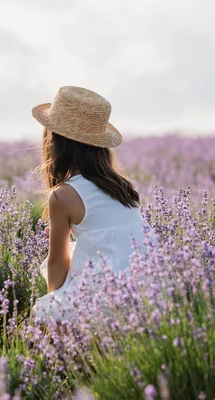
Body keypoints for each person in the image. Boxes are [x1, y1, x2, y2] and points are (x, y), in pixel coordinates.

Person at [30, 86, 154, 322]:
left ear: (55, 141)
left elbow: (57, 264)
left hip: (107, 303)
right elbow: (113, 246)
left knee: (38, 314)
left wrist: (52, 311)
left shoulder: (62, 195)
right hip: (149, 297)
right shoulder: (123, 188)